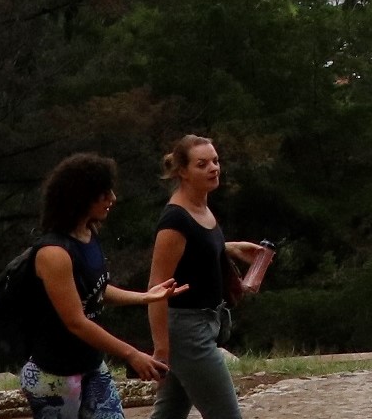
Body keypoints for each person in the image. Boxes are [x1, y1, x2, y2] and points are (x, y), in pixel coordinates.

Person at [19, 154, 179, 419]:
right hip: (54, 376)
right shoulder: (53, 253)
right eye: (103, 194)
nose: (112, 199)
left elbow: (97, 290)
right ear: (81, 197)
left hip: (91, 366)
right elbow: (76, 321)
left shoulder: (89, 234)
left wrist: (145, 297)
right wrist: (131, 354)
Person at [145, 137, 271, 419]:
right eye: (202, 164)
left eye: (215, 161)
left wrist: (230, 248)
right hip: (187, 331)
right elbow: (156, 287)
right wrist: (162, 349)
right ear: (183, 172)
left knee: (169, 413)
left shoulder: (202, 208)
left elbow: (193, 249)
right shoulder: (174, 220)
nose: (213, 168)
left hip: (206, 323)